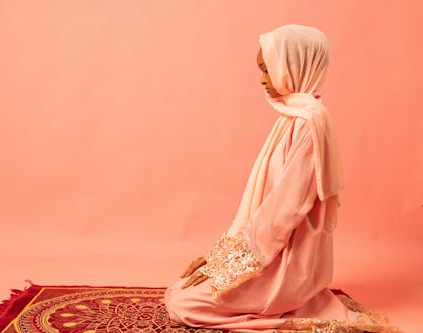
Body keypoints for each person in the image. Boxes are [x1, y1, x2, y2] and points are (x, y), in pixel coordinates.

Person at [164, 24, 398, 333]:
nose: (262, 79)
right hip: (273, 251)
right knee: (180, 290)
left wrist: (227, 266)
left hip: (286, 263)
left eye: (267, 69)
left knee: (183, 303)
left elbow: (285, 211)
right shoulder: (294, 117)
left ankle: (285, 307)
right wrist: (217, 259)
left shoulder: (309, 123)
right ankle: (288, 301)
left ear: (293, 65)